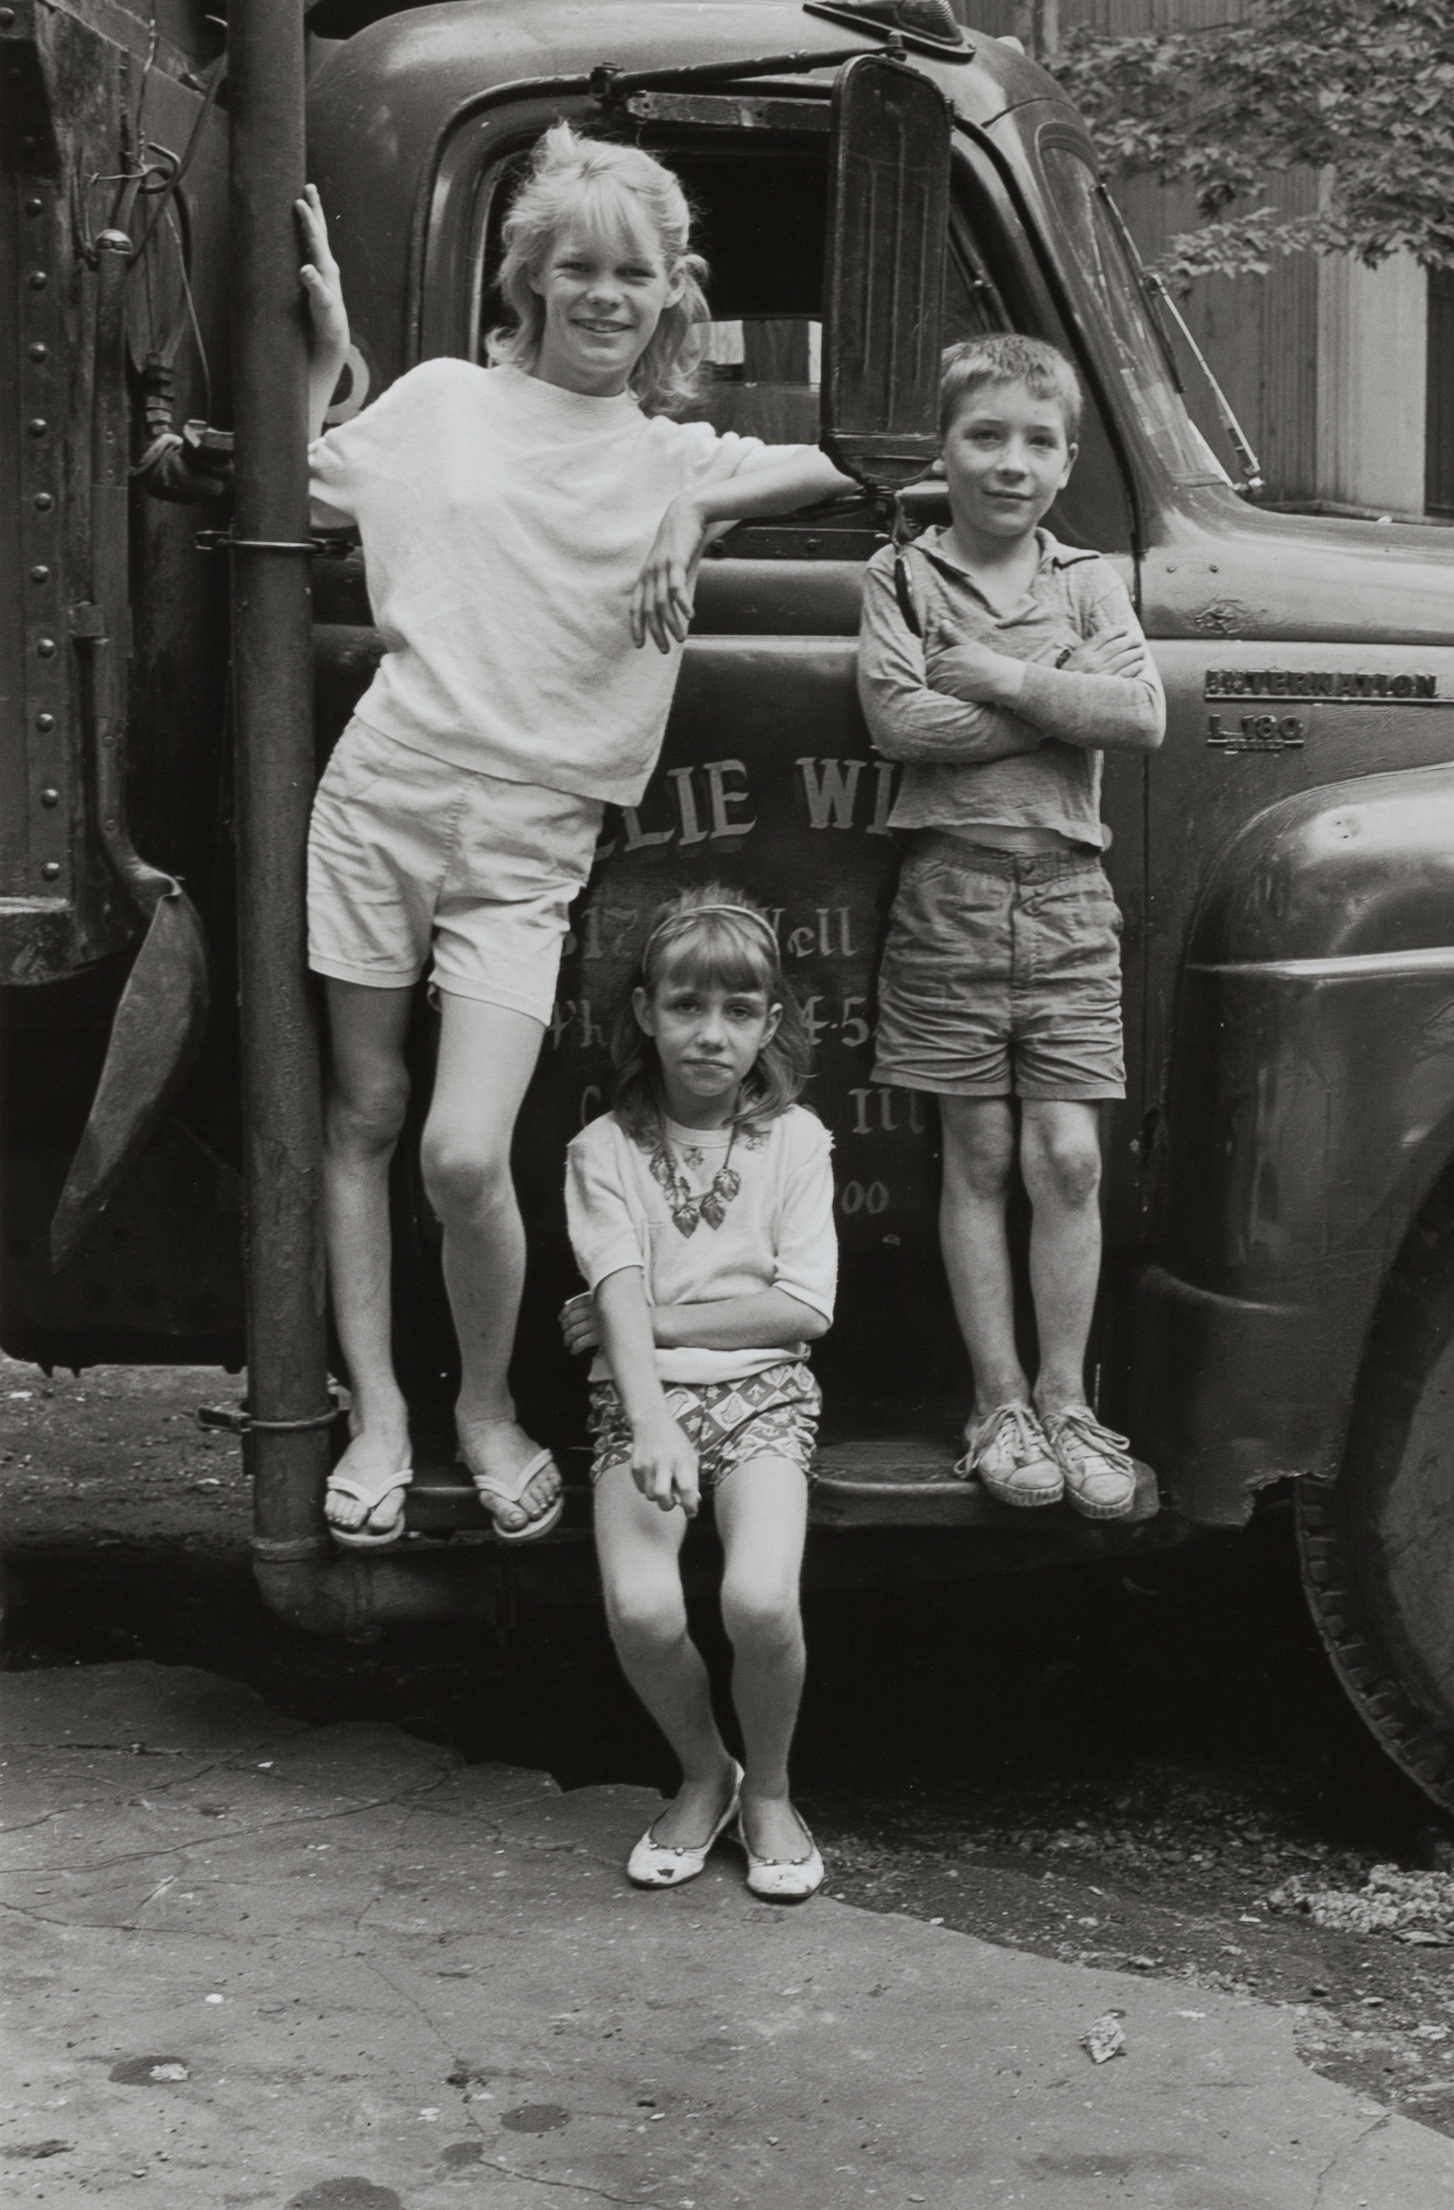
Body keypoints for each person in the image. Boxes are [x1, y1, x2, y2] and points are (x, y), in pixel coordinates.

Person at [297, 126, 853, 1549]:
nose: (605, 295)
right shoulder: (436, 406)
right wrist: (324, 367)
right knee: (359, 1117)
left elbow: (840, 466)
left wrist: (690, 502)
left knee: (465, 1154)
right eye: (577, 268)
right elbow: (304, 480)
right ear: (531, 280)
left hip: (533, 839)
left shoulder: (673, 448)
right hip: (388, 794)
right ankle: (376, 1410)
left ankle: (485, 1401)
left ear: (679, 293)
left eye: (636, 273)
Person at [855, 334, 1165, 1517]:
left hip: (1069, 899)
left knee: (1071, 1158)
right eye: (985, 435)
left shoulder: (1088, 579)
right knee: (977, 1157)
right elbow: (898, 720)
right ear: (945, 447)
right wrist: (1054, 704)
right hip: (951, 891)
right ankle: (998, 1402)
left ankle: (1068, 1397)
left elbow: (1138, 713)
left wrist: (993, 675)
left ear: (1070, 458)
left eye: (1039, 441)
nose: (1010, 461)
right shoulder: (899, 577)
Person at [559, 890, 835, 1897]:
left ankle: (769, 1787)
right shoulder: (602, 1152)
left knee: (758, 1596)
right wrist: (649, 1416)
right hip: (640, 1402)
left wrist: (659, 1322)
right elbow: (617, 1283)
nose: (709, 1033)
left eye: (736, 1008)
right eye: (685, 1006)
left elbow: (801, 1307)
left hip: (763, 1398)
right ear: (645, 1012)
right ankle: (703, 1768)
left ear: (769, 1022)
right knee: (641, 1605)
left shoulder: (796, 1141)